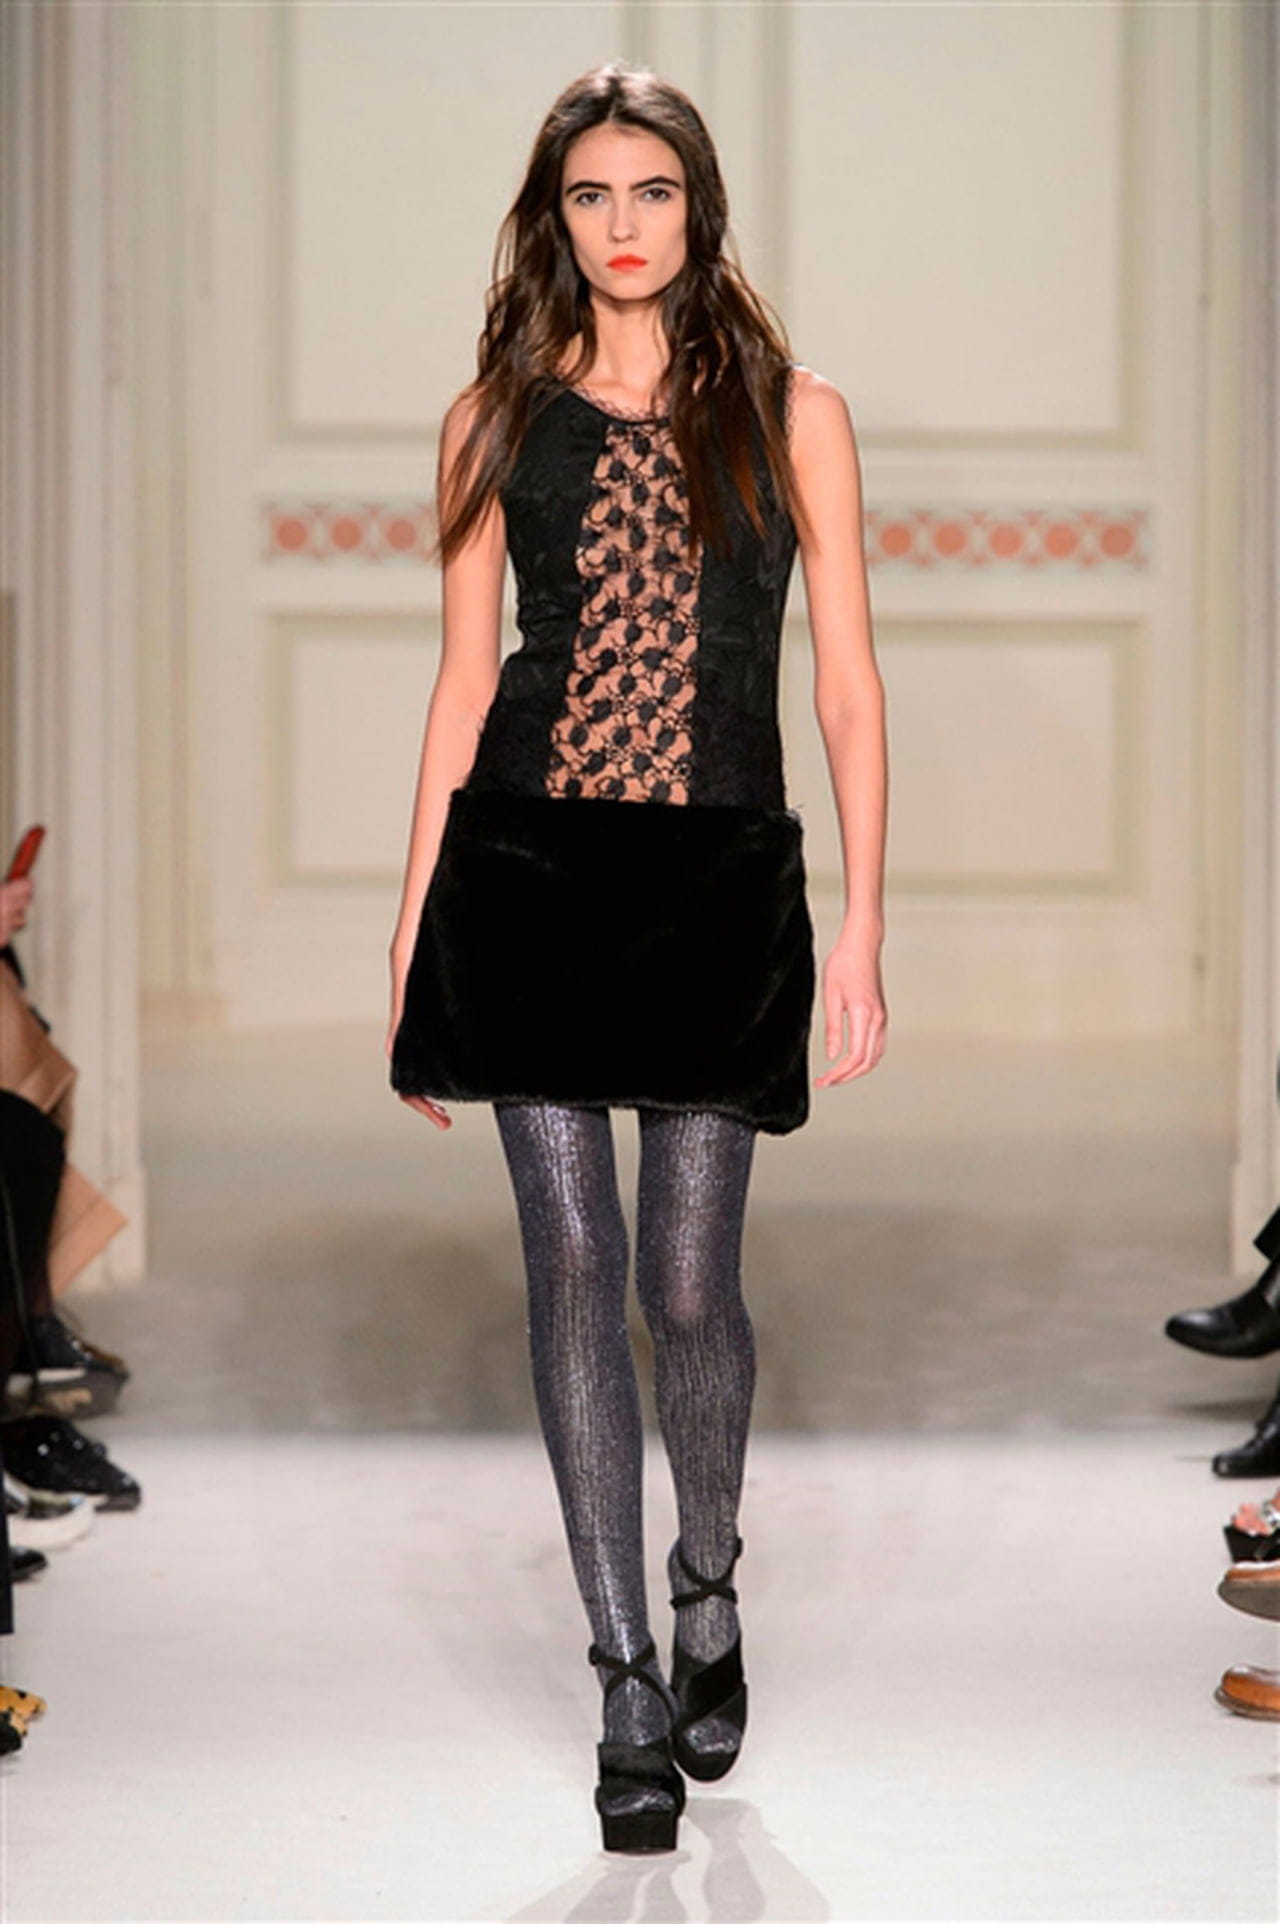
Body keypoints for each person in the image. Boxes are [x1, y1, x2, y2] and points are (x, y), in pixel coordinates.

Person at [386, 63, 887, 1855]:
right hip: (527, 876)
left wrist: (867, 919)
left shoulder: (795, 414)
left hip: (714, 885)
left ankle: (707, 1581)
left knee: (685, 1285)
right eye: (590, 194)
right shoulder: (489, 422)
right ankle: (620, 1679)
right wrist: (413, 922)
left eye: (651, 191)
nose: (622, 224)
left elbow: (844, 682)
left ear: (700, 208)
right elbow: (466, 683)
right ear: (554, 216)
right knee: (576, 1268)